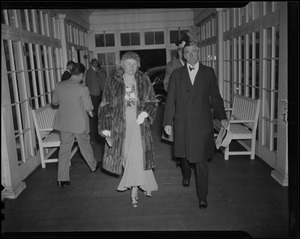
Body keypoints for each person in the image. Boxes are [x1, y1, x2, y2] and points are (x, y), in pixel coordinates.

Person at [163, 41, 229, 210]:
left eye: (194, 52)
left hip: (201, 123)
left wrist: (222, 116)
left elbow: (215, 97)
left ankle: (202, 196)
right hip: (182, 122)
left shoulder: (208, 72)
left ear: (198, 53)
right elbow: (170, 99)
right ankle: (186, 175)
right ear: (183, 56)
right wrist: (167, 122)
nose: (191, 55)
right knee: (184, 155)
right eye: (187, 52)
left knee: (200, 161)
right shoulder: (177, 74)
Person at [98, 51, 158, 207]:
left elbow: (152, 101)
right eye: (128, 63)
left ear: (138, 65)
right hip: (119, 126)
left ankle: (134, 191)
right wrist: (105, 127)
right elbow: (104, 105)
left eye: (134, 63)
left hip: (139, 125)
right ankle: (140, 183)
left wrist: (145, 113)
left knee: (136, 157)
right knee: (125, 157)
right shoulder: (112, 81)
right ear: (122, 65)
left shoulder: (144, 79)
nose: (131, 67)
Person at [52, 63, 99, 187]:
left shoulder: (59, 85)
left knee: (64, 150)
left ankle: (62, 179)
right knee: (85, 146)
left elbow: (54, 102)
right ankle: (93, 166)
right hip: (79, 124)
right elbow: (88, 106)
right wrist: (90, 110)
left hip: (65, 124)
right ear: (82, 75)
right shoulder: (83, 89)